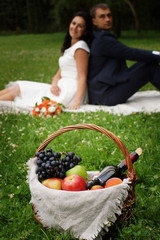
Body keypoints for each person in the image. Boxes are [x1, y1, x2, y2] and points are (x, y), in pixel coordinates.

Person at [0, 11, 92, 110]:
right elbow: (59, 73)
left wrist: (77, 102)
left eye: (80, 26)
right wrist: (54, 84)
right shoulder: (71, 48)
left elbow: (82, 77)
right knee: (18, 87)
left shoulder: (80, 48)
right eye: (73, 23)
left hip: (70, 92)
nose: (74, 27)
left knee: (20, 90)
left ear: (85, 31)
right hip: (61, 88)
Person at [87, 3, 160, 106]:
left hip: (104, 91)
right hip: (105, 96)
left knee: (147, 65)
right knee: (149, 68)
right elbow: (131, 53)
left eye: (109, 15)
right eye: (102, 16)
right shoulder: (103, 40)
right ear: (94, 21)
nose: (107, 19)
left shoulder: (99, 36)